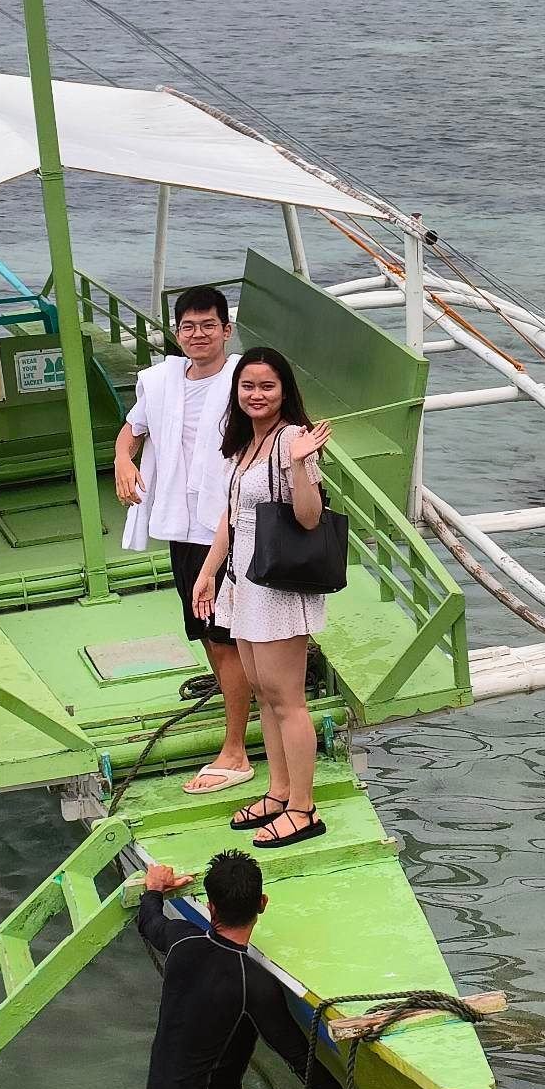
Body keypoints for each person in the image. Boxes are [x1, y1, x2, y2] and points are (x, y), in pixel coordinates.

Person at [137, 850, 391, 1089]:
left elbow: (150, 921)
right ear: (263, 904)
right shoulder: (254, 984)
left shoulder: (181, 940)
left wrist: (154, 889)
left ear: (210, 905)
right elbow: (301, 1061)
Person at [114, 286, 255, 797]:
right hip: (183, 523)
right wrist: (123, 459)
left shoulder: (244, 379)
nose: (199, 335)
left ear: (226, 330)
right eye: (189, 327)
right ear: (178, 333)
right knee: (207, 632)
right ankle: (241, 716)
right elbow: (132, 430)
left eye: (208, 326)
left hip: (231, 523)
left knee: (225, 633)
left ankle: (235, 750)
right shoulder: (162, 381)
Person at [190, 348, 332, 849]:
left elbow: (310, 517)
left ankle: (303, 807)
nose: (256, 395)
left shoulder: (292, 439)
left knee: (287, 699)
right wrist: (209, 572)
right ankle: (278, 790)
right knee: (265, 694)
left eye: (267, 386)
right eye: (247, 386)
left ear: (284, 390)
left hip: (278, 587)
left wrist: (299, 465)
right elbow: (233, 516)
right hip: (246, 583)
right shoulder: (246, 446)